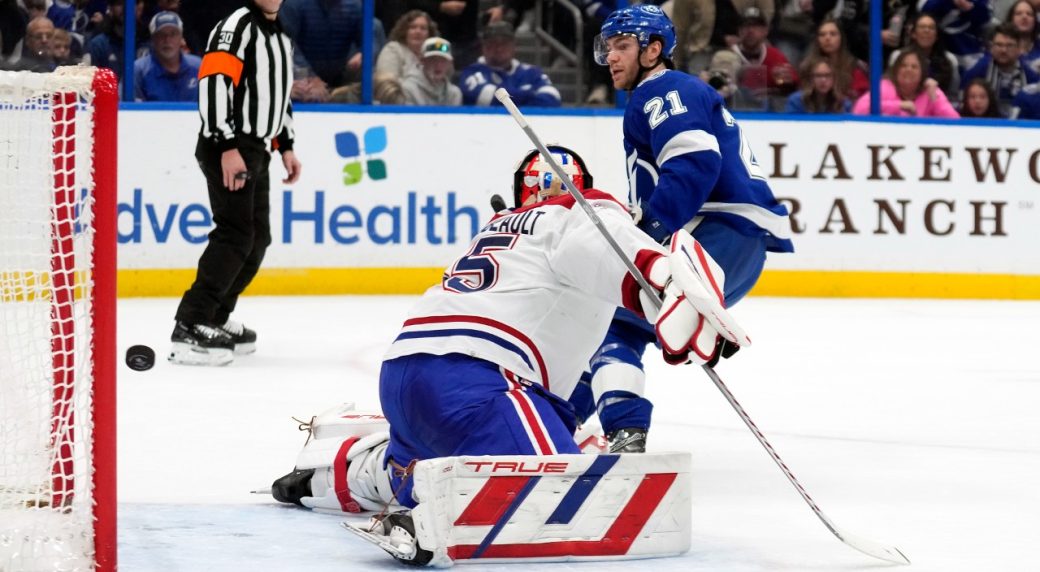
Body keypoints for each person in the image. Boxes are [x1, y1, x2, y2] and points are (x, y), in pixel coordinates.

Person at [270, 145, 728, 565]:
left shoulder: (499, 226)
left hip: (404, 372)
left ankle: (331, 477)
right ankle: (431, 520)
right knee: (571, 496)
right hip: (479, 380)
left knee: (418, 463)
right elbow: (603, 242)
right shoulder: (579, 212)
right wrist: (661, 275)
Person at [589, 4, 793, 452]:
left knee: (609, 326)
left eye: (622, 46)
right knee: (622, 327)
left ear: (653, 50)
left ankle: (618, 429)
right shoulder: (668, 92)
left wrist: (648, 231)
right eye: (607, 48)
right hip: (738, 246)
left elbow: (694, 163)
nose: (612, 57)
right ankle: (562, 419)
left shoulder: (663, 90)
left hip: (713, 237)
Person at [170, 0, 302, 366]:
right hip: (229, 145)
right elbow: (214, 84)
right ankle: (191, 321)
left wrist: (286, 145)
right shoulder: (236, 27)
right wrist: (225, 145)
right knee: (235, 234)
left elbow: (278, 95)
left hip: (256, 148)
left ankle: (215, 314)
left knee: (257, 238)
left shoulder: (280, 35)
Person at [459, 20, 561, 107]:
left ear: (514, 46)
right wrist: (530, 93)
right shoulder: (472, 72)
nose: (499, 48)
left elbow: (553, 98)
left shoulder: (531, 72)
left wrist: (513, 96)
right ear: (483, 47)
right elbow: (488, 99)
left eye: (504, 43)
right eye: (493, 43)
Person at [852, 49, 960, 118]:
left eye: (914, 67)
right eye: (903, 65)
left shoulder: (930, 91)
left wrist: (934, 98)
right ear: (896, 70)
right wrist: (899, 105)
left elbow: (955, 121)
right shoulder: (885, 86)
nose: (908, 69)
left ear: (922, 73)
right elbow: (859, 109)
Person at [960, 23, 1040, 116]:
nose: (1003, 50)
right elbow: (963, 106)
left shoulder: (1031, 77)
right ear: (991, 47)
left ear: (1019, 48)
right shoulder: (975, 73)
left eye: (1009, 45)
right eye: (999, 45)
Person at [729, 6, 797, 107]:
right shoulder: (727, 56)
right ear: (739, 31)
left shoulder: (775, 56)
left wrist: (787, 84)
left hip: (768, 111)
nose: (750, 31)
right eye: (746, 26)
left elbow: (793, 86)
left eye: (756, 26)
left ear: (766, 31)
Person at [888, 13, 960, 102]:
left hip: (937, 105)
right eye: (922, 27)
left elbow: (953, 96)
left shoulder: (950, 60)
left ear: (937, 35)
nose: (926, 31)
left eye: (931, 28)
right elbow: (890, 88)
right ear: (913, 33)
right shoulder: (898, 56)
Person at [133, 11, 202, 102]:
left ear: (181, 38)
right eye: (161, 35)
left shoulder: (198, 67)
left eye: (173, 34)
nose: (167, 40)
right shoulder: (139, 70)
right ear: (153, 39)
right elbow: (128, 108)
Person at [805, 17, 869, 102]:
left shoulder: (855, 67)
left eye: (833, 34)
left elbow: (864, 100)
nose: (827, 38)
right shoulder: (807, 67)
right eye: (822, 34)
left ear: (841, 38)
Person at [375, 9, 439, 82]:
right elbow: (386, 82)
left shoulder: (434, 55)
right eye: (413, 27)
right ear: (404, 31)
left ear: (429, 34)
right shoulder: (393, 49)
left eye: (423, 28)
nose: (418, 32)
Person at [401, 36, 462, 105]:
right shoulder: (407, 89)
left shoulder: (454, 94)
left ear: (450, 63)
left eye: (443, 60)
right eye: (433, 60)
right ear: (422, 61)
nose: (438, 65)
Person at [784, 57, 851, 113]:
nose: (823, 80)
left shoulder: (843, 103)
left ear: (834, 78)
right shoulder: (796, 101)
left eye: (828, 75)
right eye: (818, 75)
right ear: (810, 78)